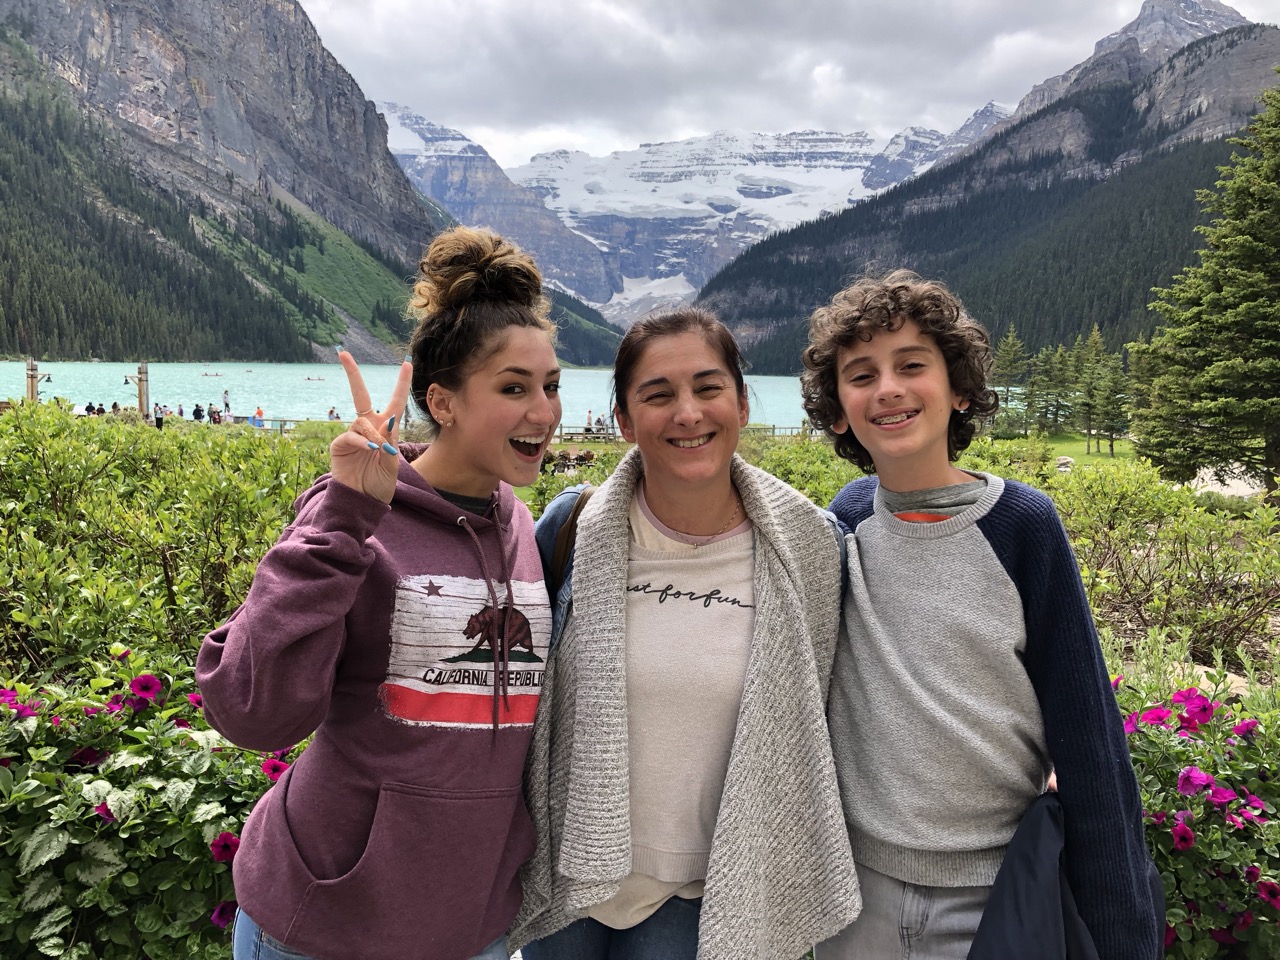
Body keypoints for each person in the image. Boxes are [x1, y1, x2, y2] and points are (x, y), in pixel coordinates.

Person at [196, 226, 563, 960]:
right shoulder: (354, 514)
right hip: (324, 923)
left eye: (551, 386)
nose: (544, 412)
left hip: (473, 928)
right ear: (444, 402)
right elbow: (251, 711)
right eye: (514, 388)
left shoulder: (520, 524)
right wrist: (344, 514)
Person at [799, 271, 1162, 960]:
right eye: (861, 374)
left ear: (960, 389)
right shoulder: (844, 521)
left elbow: (1088, 735)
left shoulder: (1022, 525)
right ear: (838, 409)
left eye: (913, 366)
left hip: (996, 895)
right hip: (853, 897)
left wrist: (1124, 931)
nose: (889, 389)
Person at [512, 307, 859, 960]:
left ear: (742, 403)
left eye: (707, 387)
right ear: (623, 419)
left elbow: (860, 692)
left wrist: (1032, 752)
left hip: (704, 890)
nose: (688, 413)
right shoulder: (573, 528)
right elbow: (505, 678)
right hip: (568, 873)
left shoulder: (810, 546)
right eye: (658, 394)